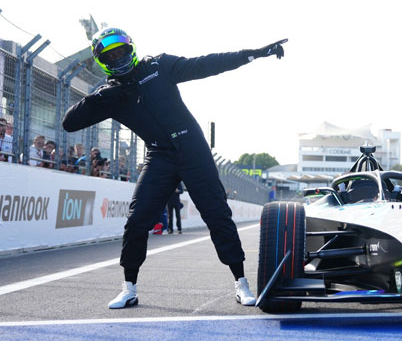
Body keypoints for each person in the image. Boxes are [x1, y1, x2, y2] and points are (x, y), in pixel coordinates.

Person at [62, 27, 286, 309]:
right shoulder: (110, 95)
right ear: (103, 61)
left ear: (130, 50)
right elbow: (69, 123)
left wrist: (252, 54)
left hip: (194, 150)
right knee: (137, 219)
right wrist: (100, 96)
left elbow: (207, 64)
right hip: (159, 156)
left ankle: (241, 283)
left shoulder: (159, 66)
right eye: (111, 55)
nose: (118, 58)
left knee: (217, 215)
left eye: (121, 51)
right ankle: (129, 287)